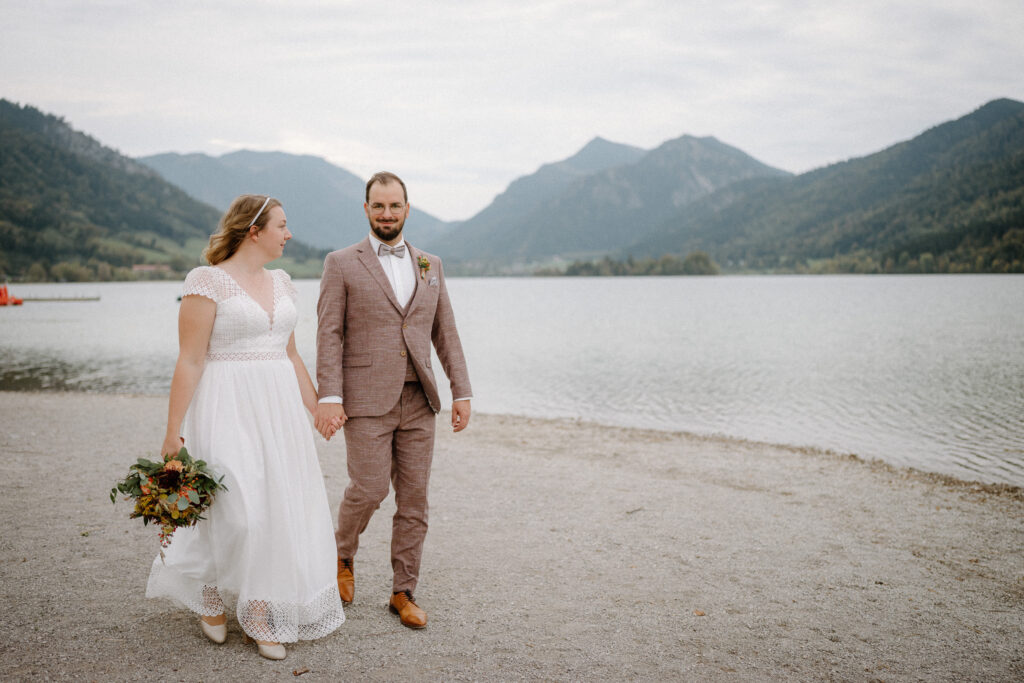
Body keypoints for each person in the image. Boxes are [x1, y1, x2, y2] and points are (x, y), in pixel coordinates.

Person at [146, 194, 345, 660]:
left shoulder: (282, 283)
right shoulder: (207, 282)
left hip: (278, 410)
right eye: (282, 225)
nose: (289, 233)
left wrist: (317, 407)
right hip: (226, 404)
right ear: (253, 231)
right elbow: (191, 359)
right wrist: (173, 430)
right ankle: (208, 592)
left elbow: (291, 353)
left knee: (277, 507)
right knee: (238, 508)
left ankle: (259, 611)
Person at [315, 171, 472, 629]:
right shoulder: (341, 263)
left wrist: (461, 389)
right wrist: (330, 395)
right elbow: (329, 334)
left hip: (420, 399)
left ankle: (403, 591)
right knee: (369, 488)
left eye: (395, 206)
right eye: (378, 206)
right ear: (366, 209)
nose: (387, 213)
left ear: (407, 209)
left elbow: (446, 333)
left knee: (415, 500)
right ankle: (342, 555)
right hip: (365, 399)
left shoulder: (431, 265)